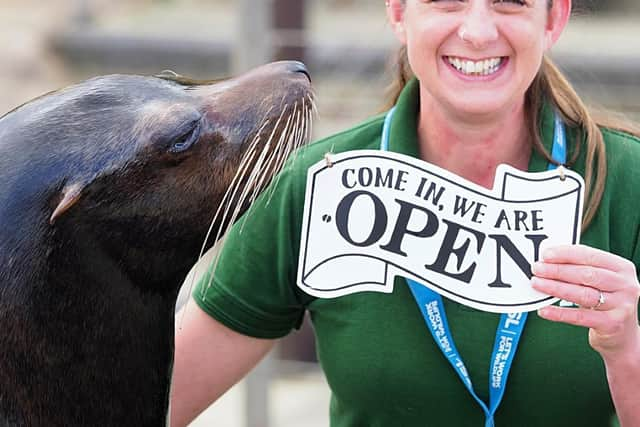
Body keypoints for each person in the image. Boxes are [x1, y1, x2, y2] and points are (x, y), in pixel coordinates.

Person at [170, 0, 640, 425]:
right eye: (446, 1)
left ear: (553, 17)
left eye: (509, 2)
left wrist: (626, 350)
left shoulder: (626, 180)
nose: (477, 31)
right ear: (398, 12)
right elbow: (152, 399)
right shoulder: (318, 184)